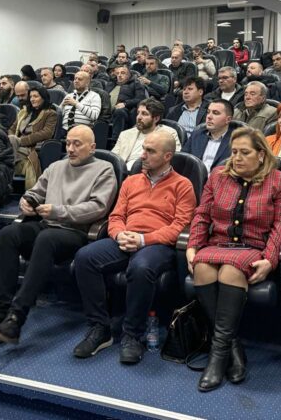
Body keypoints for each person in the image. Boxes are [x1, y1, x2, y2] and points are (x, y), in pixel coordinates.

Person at [0, 126, 119, 346]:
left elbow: (98, 208)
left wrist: (58, 211)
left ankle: (16, 317)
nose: (71, 149)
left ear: (92, 147)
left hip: (76, 232)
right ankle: (0, 313)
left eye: (77, 144)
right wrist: (26, 201)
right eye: (68, 143)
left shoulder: (104, 169)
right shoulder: (56, 166)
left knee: (46, 239)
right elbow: (35, 192)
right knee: (9, 233)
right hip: (47, 225)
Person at [186, 128, 281, 391]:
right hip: (218, 243)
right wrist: (192, 247)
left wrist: (270, 259)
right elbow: (202, 215)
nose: (237, 158)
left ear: (261, 154)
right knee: (202, 267)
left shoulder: (279, 180)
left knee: (230, 272)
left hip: (252, 246)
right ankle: (231, 345)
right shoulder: (218, 176)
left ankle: (217, 356)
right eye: (234, 152)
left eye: (245, 152)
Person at [73, 131, 196, 363]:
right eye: (144, 149)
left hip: (158, 244)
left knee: (141, 267)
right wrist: (119, 234)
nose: (143, 155)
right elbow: (116, 216)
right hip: (126, 238)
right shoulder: (131, 181)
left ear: (167, 156)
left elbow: (180, 226)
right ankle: (100, 327)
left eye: (150, 151)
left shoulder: (183, 185)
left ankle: (132, 334)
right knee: (85, 258)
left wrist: (143, 240)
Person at [9, 86, 57, 190]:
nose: (32, 99)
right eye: (30, 96)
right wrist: (13, 139)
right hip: (16, 145)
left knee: (6, 151)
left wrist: (21, 141)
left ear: (43, 98)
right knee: (8, 140)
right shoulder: (24, 112)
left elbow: (47, 133)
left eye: (35, 96)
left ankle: (7, 175)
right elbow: (12, 129)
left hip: (31, 147)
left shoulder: (50, 113)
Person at [112, 99, 180, 167]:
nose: (139, 117)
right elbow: (113, 159)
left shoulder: (168, 134)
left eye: (144, 114)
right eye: (138, 113)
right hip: (123, 170)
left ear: (156, 118)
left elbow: (174, 160)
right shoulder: (125, 134)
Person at [182, 100, 235, 171]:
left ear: (228, 119)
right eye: (208, 112)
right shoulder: (197, 134)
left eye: (215, 113)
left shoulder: (236, 141)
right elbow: (182, 160)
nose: (209, 117)